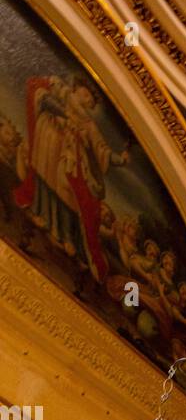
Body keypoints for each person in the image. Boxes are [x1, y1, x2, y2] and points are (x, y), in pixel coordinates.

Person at [14, 74, 130, 283]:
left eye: (91, 102)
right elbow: (41, 94)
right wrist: (63, 113)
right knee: (43, 177)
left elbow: (102, 150)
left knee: (66, 192)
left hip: (70, 161)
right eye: (87, 96)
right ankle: (38, 210)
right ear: (78, 89)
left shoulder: (89, 125)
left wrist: (120, 160)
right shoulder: (62, 91)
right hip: (49, 136)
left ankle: (62, 232)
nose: (87, 102)